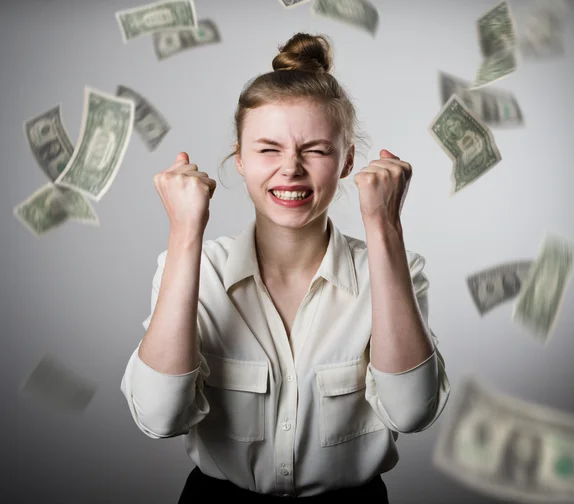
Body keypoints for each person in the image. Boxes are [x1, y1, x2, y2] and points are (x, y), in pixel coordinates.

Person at [120, 32, 451, 502]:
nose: (291, 169)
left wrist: (384, 227)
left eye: (315, 150)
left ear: (347, 160)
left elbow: (412, 413)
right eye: (268, 149)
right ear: (239, 158)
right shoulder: (201, 269)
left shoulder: (396, 268)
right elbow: (158, 419)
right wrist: (184, 233)